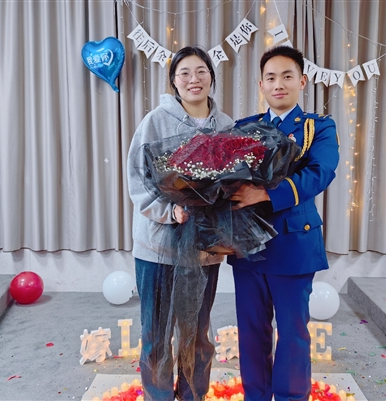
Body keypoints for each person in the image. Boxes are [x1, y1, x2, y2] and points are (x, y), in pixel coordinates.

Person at [228, 45, 340, 401]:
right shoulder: (244, 129)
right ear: (261, 84)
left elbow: (320, 173)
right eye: (271, 77)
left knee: (292, 333)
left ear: (302, 81)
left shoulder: (317, 127)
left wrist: (264, 194)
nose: (279, 84)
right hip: (248, 246)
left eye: (287, 76)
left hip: (293, 244)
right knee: (251, 332)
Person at [127, 46, 234, 401]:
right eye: (184, 72)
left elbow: (232, 184)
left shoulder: (226, 126)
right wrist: (169, 211)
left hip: (203, 250)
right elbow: (137, 178)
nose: (193, 79)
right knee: (156, 334)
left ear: (212, 77)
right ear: (173, 80)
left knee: (197, 334)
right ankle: (158, 396)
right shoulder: (155, 121)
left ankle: (193, 395)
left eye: (201, 71)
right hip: (157, 247)